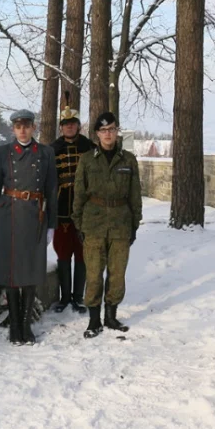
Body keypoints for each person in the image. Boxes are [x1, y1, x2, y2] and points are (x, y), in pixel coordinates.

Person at [0, 109, 58, 346]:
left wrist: (52, 224)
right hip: (9, 216)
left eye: (27, 126)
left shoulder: (46, 153)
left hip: (36, 216)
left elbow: (51, 190)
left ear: (33, 128)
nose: (23, 130)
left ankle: (26, 326)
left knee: (30, 272)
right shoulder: (2, 153)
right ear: (12, 129)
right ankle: (14, 326)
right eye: (18, 127)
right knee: (11, 274)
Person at [72, 113, 142, 339]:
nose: (108, 134)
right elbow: (79, 193)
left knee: (117, 273)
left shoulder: (128, 160)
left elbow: (135, 195)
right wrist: (79, 223)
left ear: (117, 131)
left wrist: (134, 224)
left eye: (111, 129)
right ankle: (94, 320)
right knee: (93, 274)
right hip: (93, 223)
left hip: (121, 223)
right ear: (97, 134)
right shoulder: (87, 159)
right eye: (103, 131)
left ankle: (111, 315)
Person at [50, 97, 94, 313]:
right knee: (63, 252)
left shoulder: (89, 147)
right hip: (61, 209)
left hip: (85, 209)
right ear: (61, 127)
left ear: (78, 125)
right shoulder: (52, 149)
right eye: (66, 124)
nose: (69, 126)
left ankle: (79, 297)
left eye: (73, 123)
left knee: (82, 253)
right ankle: (64, 297)